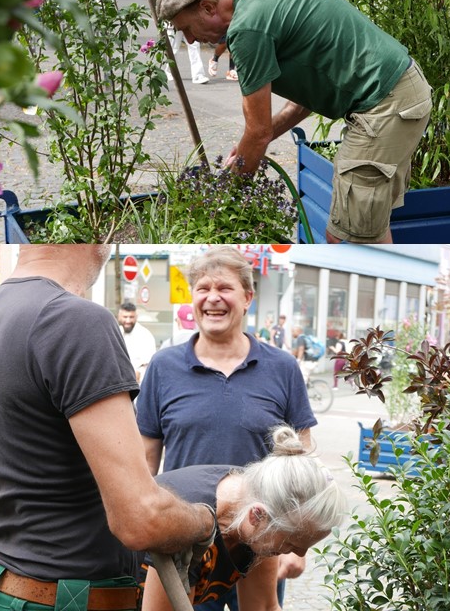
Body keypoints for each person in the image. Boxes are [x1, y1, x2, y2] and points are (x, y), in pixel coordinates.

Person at [0, 245, 220, 611]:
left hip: (1, 586)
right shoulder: (74, 318)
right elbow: (140, 519)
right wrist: (205, 521)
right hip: (68, 598)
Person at [155, 0, 432, 244]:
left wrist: (228, 197)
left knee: (345, 239)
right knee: (368, 228)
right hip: (401, 94)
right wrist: (246, 151)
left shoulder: (247, 29)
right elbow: (298, 107)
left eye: (186, 29)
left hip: (385, 104)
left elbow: (258, 131)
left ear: (207, 7)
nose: (190, 40)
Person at [136, 246, 318, 611]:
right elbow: (143, 467)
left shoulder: (281, 368)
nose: (212, 298)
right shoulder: (163, 367)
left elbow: (303, 465)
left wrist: (299, 541)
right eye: (203, 288)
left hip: (261, 544)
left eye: (225, 288)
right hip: (186, 546)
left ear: (248, 297)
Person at [139, 426, 347, 611]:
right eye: (291, 543)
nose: (300, 553)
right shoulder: (188, 525)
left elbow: (264, 607)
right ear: (256, 515)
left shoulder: (262, 515)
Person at [117, 301, 157, 382]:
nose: (128, 321)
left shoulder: (145, 335)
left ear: (136, 317)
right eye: (125, 317)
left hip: (137, 385)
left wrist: (139, 371)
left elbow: (149, 363)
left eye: (131, 317)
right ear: (119, 317)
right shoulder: (116, 332)